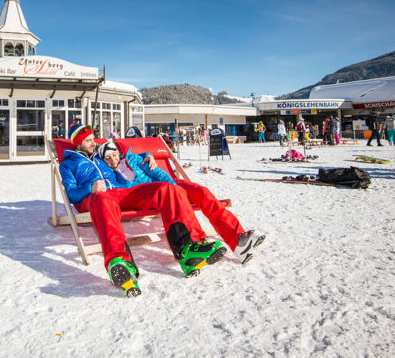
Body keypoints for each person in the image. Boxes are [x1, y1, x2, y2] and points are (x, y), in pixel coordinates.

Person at [59, 124, 227, 295]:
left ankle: (187, 251)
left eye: (93, 139)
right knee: (104, 199)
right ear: (78, 143)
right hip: (96, 197)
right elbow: (71, 194)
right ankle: (120, 262)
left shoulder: (99, 156)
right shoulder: (68, 165)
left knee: (168, 189)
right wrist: (90, 188)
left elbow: (123, 158)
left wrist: (146, 155)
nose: (92, 143)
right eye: (88, 141)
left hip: (122, 192)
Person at [97, 140, 265, 264]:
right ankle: (199, 243)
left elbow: (157, 172)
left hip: (170, 183)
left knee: (202, 193)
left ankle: (238, 239)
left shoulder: (133, 159)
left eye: (113, 154)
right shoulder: (111, 176)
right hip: (154, 195)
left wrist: (173, 183)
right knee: (180, 198)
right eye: (107, 158)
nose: (112, 159)